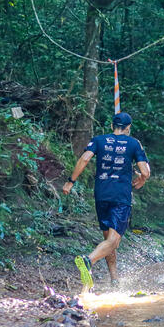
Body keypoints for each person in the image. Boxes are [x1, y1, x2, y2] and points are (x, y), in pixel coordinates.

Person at [62, 112, 150, 291]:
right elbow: (146, 172)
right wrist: (141, 179)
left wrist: (70, 182)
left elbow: (85, 159)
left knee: (108, 240)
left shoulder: (98, 140)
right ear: (128, 128)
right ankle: (89, 260)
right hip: (120, 197)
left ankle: (115, 280)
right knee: (113, 241)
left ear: (111, 126)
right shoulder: (133, 143)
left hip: (101, 194)